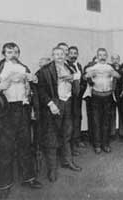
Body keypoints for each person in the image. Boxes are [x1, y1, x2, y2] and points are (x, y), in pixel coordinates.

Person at [0, 42, 42, 200]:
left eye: (15, 52)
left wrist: (33, 79)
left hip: (23, 109)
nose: (13, 54)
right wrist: (1, 85)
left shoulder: (24, 67)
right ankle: (4, 186)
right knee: (6, 150)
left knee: (26, 145)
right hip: (6, 112)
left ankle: (29, 178)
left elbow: (34, 88)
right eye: (9, 52)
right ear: (4, 54)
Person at [37, 47, 82, 183]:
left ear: (65, 55)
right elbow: (40, 90)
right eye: (56, 54)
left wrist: (74, 78)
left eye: (62, 54)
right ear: (53, 56)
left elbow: (76, 81)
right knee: (52, 138)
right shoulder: (45, 70)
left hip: (68, 103)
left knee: (67, 134)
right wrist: (50, 104)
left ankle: (68, 161)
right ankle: (52, 169)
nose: (60, 56)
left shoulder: (70, 67)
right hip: (55, 106)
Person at [84, 48, 120, 154]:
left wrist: (112, 73)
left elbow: (118, 76)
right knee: (96, 121)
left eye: (104, 55)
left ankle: (105, 144)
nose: (102, 57)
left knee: (106, 122)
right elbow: (85, 77)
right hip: (96, 97)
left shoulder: (109, 66)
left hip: (108, 96)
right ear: (97, 56)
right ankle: (97, 145)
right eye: (100, 55)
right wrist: (91, 73)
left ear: (106, 56)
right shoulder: (93, 67)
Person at [68, 46, 86, 156]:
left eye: (75, 53)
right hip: (70, 97)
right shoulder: (66, 65)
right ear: (67, 54)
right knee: (70, 120)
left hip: (78, 97)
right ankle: (71, 144)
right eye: (71, 53)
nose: (73, 55)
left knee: (78, 117)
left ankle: (77, 139)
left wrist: (82, 89)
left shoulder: (78, 65)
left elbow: (82, 80)